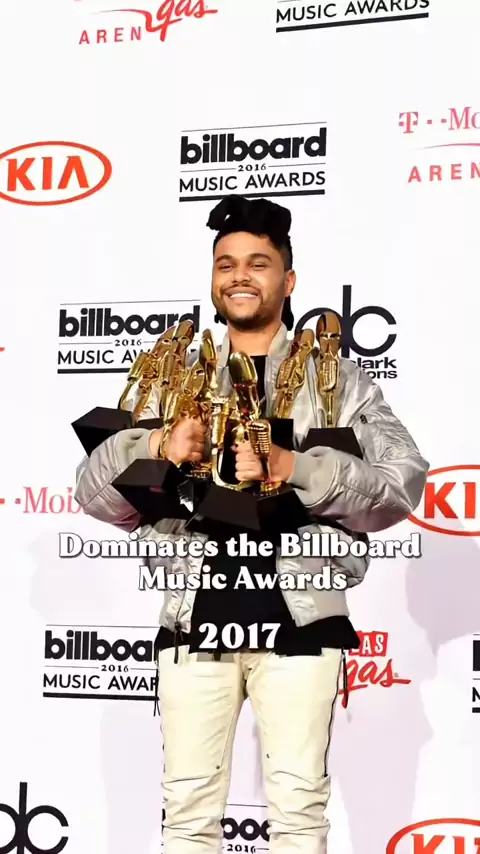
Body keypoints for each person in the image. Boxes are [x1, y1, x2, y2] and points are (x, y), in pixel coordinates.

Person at [75, 194, 429, 854]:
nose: (240, 275)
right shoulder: (174, 379)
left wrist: (297, 466)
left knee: (298, 810)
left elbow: (400, 488)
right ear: (214, 278)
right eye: (227, 263)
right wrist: (156, 446)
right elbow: (94, 496)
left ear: (288, 281)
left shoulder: (339, 381)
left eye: (258, 263)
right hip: (194, 621)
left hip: (300, 621)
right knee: (186, 812)